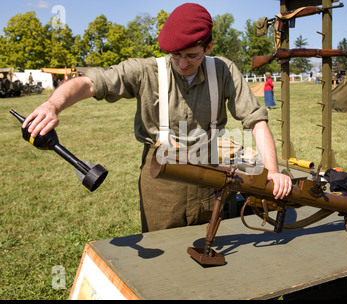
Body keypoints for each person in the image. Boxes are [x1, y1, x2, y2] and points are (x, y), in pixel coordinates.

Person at [22, 3, 292, 232]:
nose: (183, 64)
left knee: (211, 248)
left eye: (192, 56)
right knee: (162, 256)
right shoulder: (146, 71)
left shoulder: (223, 71)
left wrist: (273, 173)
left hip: (210, 176)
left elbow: (256, 120)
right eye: (176, 55)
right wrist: (52, 105)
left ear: (208, 47)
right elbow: (91, 83)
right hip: (161, 178)